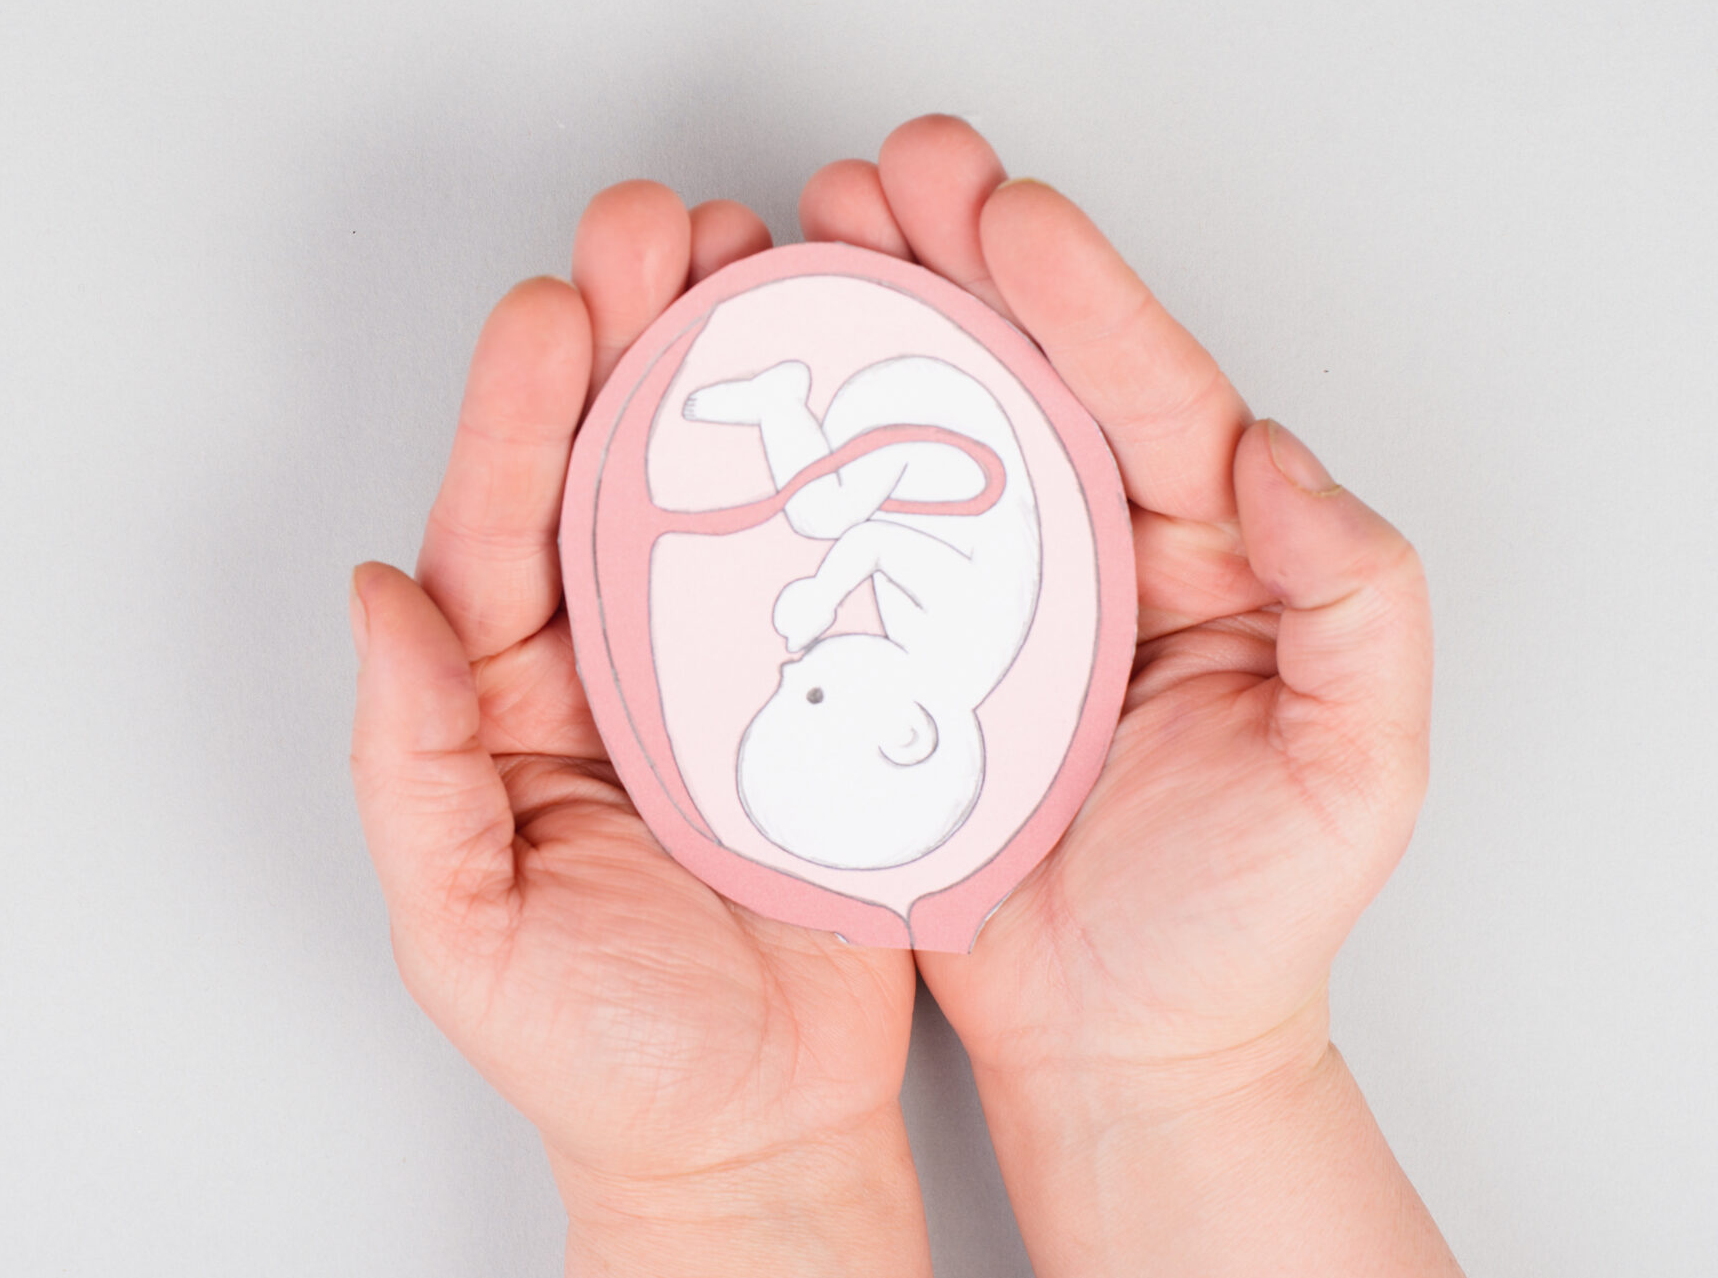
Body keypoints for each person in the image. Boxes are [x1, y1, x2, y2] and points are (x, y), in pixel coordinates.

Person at [344, 114, 1456, 1276]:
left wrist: (727, 1186)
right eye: (816, 709)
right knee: (826, 518)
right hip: (937, 433)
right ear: (912, 732)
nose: (791, 682)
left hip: (911, 453)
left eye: (784, 705)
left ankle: (780, 399)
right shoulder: (963, 640)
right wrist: (1190, 1076)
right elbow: (880, 544)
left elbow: (870, 551)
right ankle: (781, 399)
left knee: (826, 517)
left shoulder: (941, 664)